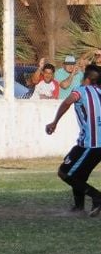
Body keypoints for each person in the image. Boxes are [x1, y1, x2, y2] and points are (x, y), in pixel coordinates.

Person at [45, 64, 101, 216]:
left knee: (64, 173)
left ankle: (97, 197)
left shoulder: (81, 90)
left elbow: (67, 101)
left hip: (90, 144)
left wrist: (54, 122)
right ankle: (79, 208)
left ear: (86, 78)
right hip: (94, 144)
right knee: (79, 176)